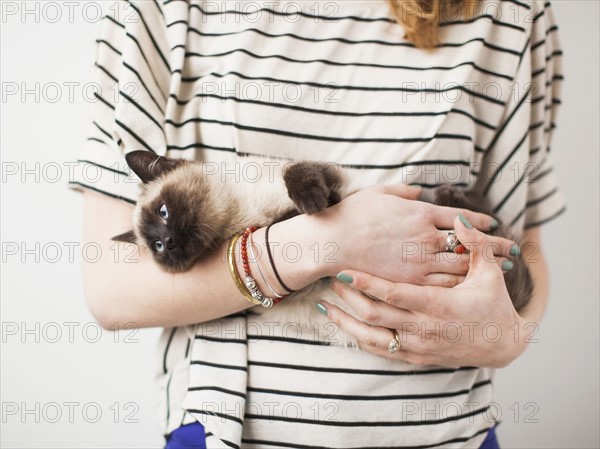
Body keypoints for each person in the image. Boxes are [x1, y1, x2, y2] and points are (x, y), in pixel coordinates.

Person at [71, 0, 565, 447]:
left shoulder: (511, 11)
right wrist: (322, 245)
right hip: (231, 430)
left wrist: (509, 338)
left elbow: (525, 256)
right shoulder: (160, 8)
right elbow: (113, 292)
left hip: (450, 428)